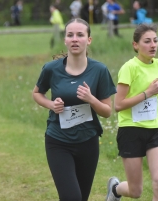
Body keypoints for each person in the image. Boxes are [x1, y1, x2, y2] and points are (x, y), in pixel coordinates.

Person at [32, 18, 116, 201]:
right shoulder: (51, 69)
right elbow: (37, 94)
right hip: (58, 141)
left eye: (80, 35)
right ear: (65, 40)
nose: (75, 39)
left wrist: (91, 99)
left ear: (89, 39)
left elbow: (107, 111)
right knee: (71, 197)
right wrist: (51, 105)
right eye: (70, 35)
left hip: (88, 142)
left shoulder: (99, 70)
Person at [105, 23, 158, 201]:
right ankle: (115, 189)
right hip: (131, 130)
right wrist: (148, 93)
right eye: (147, 41)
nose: (153, 45)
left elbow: (154, 92)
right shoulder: (129, 68)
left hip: (156, 128)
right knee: (136, 191)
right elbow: (118, 105)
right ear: (135, 45)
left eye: (155, 41)